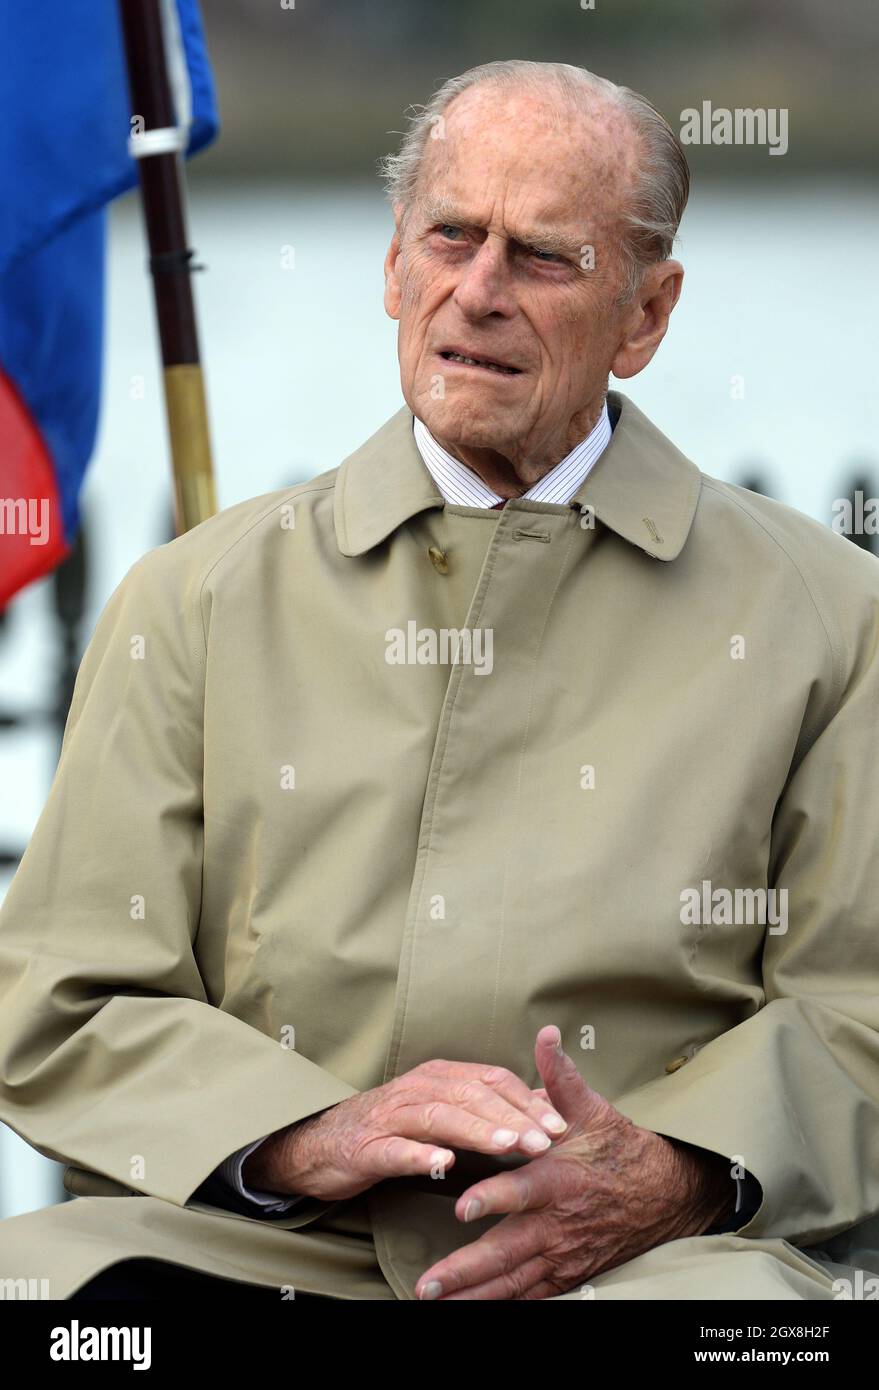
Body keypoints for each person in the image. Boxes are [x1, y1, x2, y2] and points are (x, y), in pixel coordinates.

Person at [1, 59, 878, 1302]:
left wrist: (672, 1173)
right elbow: (66, 999)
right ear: (392, 268)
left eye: (542, 257)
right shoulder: (190, 600)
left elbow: (861, 1012)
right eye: (451, 237)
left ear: (647, 312)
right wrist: (311, 1136)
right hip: (271, 1248)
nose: (479, 292)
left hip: (666, 1261)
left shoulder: (832, 616)